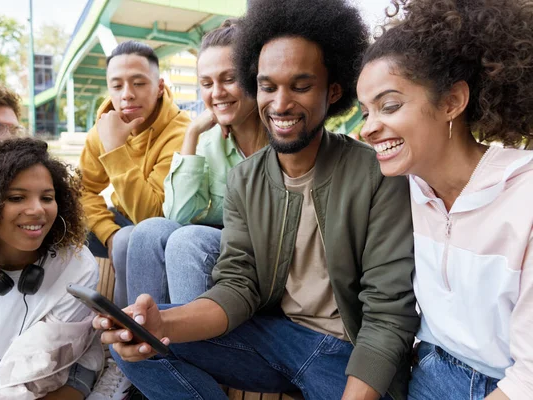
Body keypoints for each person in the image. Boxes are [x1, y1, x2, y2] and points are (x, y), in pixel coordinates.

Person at [94, 0, 420, 399]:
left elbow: (388, 315)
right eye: (267, 87)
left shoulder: (376, 174)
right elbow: (237, 284)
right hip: (276, 340)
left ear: (333, 90)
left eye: (300, 86)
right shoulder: (245, 178)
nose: (280, 104)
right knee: (138, 348)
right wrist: (161, 323)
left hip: (348, 353)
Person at [357, 0, 533, 399]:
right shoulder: (405, 188)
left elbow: (529, 379)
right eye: (365, 112)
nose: (368, 128)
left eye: (389, 106)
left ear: (453, 101)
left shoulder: (525, 198)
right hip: (426, 369)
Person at [111, 20, 268, 310]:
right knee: (148, 231)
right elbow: (178, 215)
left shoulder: (281, 132)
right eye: (207, 84)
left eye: (229, 79)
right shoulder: (206, 141)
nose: (217, 93)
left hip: (260, 254)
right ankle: (145, 343)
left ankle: (193, 350)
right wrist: (192, 135)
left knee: (189, 239)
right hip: (219, 248)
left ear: (256, 77)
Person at [0, 138, 103, 399]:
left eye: (47, 197)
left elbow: (39, 365)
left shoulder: (77, 266)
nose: (37, 209)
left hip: (62, 364)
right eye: (16, 197)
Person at [79, 40, 189, 265]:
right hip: (121, 218)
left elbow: (153, 217)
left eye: (138, 83)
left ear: (159, 88)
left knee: (126, 241)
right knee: (55, 224)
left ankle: (124, 303)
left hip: (169, 229)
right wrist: (107, 232)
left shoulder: (181, 133)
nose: (127, 95)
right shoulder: (102, 129)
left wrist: (115, 149)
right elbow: (82, 189)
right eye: (117, 86)